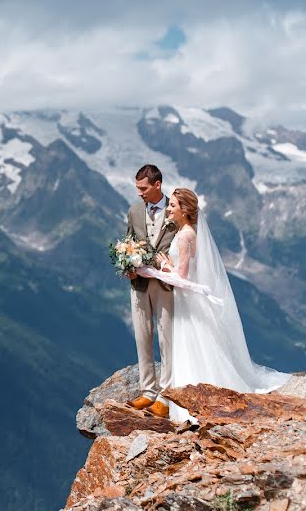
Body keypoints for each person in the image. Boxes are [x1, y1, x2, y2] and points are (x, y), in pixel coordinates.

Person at [155, 188, 290, 422]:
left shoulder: (186, 235)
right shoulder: (186, 231)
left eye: (173, 205)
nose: (169, 208)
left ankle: (193, 400)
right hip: (186, 301)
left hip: (186, 301)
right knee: (195, 344)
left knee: (191, 344)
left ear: (185, 210)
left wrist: (165, 266)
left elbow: (183, 277)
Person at [124, 164, 179, 418]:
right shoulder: (134, 212)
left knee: (166, 337)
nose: (140, 193)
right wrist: (127, 266)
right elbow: (128, 242)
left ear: (157, 185)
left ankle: (166, 397)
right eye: (137, 188)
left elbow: (185, 248)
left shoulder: (175, 211)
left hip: (166, 285)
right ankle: (148, 391)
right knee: (142, 336)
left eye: (143, 188)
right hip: (139, 284)